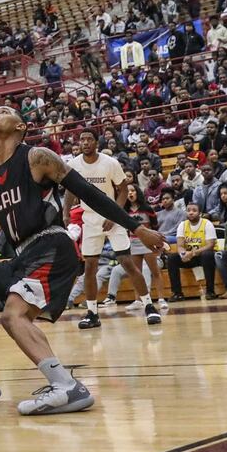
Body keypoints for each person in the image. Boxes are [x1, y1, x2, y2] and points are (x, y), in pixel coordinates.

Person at [0, 106, 164, 414]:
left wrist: (137, 227)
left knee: (12, 315)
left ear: (21, 127)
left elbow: (89, 193)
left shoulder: (37, 157)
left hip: (52, 246)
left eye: (3, 111)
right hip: (21, 256)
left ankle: (66, 385)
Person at [64, 129, 161, 328]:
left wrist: (114, 214)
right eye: (82, 140)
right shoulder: (73, 165)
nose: (85, 143)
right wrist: (65, 213)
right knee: (89, 266)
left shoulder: (110, 163)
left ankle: (149, 306)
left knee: (127, 262)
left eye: (89, 139)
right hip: (90, 219)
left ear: (96, 143)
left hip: (114, 217)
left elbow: (123, 190)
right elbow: (69, 190)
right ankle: (92, 312)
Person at [164, 202, 215, 301]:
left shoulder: (207, 224)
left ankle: (210, 291)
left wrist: (194, 253)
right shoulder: (182, 225)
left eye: (194, 210)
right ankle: (177, 293)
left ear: (200, 213)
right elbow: (180, 245)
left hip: (203, 256)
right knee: (172, 258)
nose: (191, 213)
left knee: (207, 255)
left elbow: (210, 245)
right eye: (188, 210)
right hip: (189, 256)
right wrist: (183, 254)